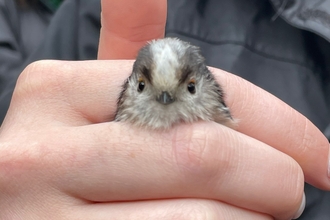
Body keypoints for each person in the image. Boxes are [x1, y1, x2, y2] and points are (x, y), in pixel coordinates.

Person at [0, 0, 329, 219]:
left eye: (187, 89)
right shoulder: (93, 13)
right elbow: (24, 137)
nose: (166, 103)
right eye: (144, 88)